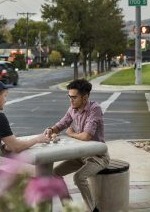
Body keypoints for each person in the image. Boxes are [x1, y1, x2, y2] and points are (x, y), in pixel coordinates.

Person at [44, 79, 109, 212]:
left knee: (79, 177)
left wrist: (72, 134)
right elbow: (62, 124)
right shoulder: (72, 109)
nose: (71, 100)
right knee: (54, 174)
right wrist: (51, 129)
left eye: (74, 97)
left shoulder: (94, 109)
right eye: (69, 97)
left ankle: (92, 209)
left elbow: (86, 136)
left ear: (85, 97)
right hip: (80, 155)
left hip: (98, 157)